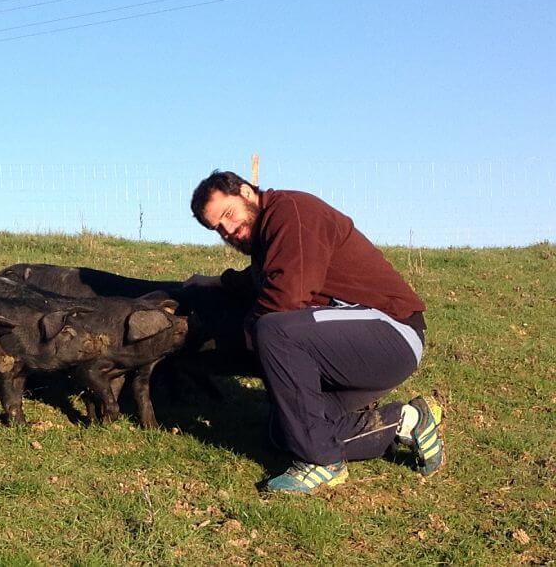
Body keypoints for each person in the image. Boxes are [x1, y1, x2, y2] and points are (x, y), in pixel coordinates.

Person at [185, 170, 443, 494]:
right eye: (218, 228)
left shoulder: (291, 212)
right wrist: (214, 284)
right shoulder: (267, 238)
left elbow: (287, 296)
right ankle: (406, 421)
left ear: (246, 192)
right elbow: (257, 282)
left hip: (393, 333)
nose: (229, 230)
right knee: (285, 431)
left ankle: (321, 462)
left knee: (273, 329)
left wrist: (234, 341)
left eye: (228, 214)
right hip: (358, 349)